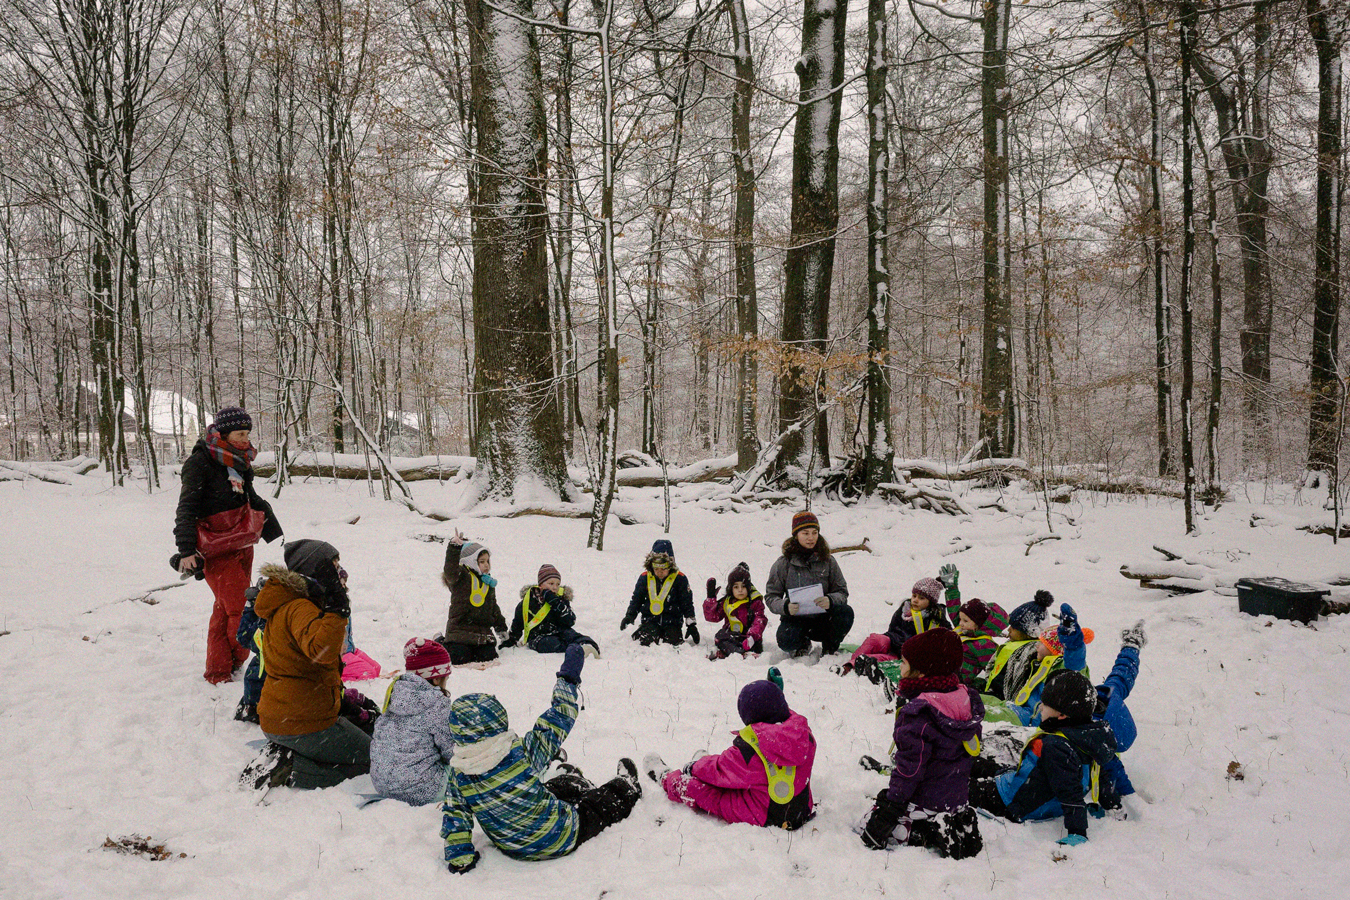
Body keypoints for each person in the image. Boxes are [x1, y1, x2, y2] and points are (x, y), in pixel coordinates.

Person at [440, 646, 642, 873]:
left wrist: (460, 860)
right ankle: (626, 785)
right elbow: (561, 716)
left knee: (548, 788)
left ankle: (573, 781)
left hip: (511, 846)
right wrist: (568, 678)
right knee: (601, 805)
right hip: (560, 836)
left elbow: (455, 817)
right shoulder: (523, 753)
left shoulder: (459, 774)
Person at [242, 539, 370, 791]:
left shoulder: (290, 601)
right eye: (333, 566)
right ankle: (293, 768)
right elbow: (321, 651)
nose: (339, 572)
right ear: (315, 570)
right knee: (374, 761)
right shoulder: (300, 607)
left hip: (288, 715)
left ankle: (291, 752)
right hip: (303, 723)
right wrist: (337, 609)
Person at [171, 406, 282, 684]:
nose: (245, 439)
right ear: (222, 433)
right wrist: (185, 549)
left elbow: (251, 499)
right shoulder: (200, 463)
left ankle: (221, 669)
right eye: (239, 433)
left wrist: (276, 533)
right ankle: (243, 655)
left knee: (224, 609)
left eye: (247, 433)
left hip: (242, 543)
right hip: (215, 549)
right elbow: (186, 508)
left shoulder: (240, 461)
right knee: (242, 608)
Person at [859, 629, 984, 859]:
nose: (899, 667)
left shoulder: (919, 715)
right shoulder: (965, 699)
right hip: (955, 799)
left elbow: (910, 770)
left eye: (904, 663)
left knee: (867, 822)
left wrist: (891, 805)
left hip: (925, 800)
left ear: (922, 671)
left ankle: (920, 831)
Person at [969, 669, 1119, 846]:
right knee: (976, 763)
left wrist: (1077, 832)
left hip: (1012, 802)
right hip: (1028, 784)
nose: (1040, 707)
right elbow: (1100, 775)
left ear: (1062, 715)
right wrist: (1112, 804)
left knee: (959, 786)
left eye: (1045, 705)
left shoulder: (1058, 746)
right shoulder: (1087, 736)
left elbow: (1069, 791)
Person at [644, 678, 815, 829]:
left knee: (703, 791)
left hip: (763, 814)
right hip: (799, 809)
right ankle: (702, 762)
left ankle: (666, 778)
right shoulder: (804, 735)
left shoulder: (750, 750)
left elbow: (720, 770)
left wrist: (694, 767)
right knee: (744, 777)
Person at [369, 637, 457, 806]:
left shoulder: (395, 692)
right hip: (421, 789)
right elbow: (451, 752)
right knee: (470, 773)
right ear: (436, 679)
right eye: (446, 677)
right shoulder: (436, 703)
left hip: (382, 784)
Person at [985, 602, 1094, 727]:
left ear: (1054, 649)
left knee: (984, 712)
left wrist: (1073, 645)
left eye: (1042, 643)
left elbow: (1075, 666)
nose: (1036, 645)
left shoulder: (1063, 668)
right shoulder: (1040, 664)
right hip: (1019, 707)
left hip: (1031, 717)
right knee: (977, 699)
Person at [764, 511, 854, 657]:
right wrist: (785, 607)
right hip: (796, 618)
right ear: (796, 535)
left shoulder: (828, 561)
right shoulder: (783, 563)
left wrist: (830, 600)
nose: (811, 538)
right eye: (805, 533)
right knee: (786, 641)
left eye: (814, 532)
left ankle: (830, 647)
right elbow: (771, 596)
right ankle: (802, 643)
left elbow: (842, 592)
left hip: (823, 618)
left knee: (846, 613)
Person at [836, 577, 948, 684]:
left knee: (876, 658)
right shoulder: (905, 609)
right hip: (892, 641)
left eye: (921, 598)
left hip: (903, 654)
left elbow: (946, 637)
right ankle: (856, 661)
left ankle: (851, 666)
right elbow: (893, 628)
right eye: (914, 596)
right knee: (875, 639)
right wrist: (887, 642)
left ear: (931, 601)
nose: (915, 600)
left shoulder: (935, 618)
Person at [441, 529, 509, 665]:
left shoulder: (488, 584)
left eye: (488, 561)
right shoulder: (461, 578)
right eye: (481, 561)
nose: (486, 565)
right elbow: (450, 571)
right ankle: (441, 642)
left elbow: (493, 608)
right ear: (470, 561)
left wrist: (501, 627)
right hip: (459, 632)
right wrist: (454, 549)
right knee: (459, 657)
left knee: (488, 657)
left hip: (482, 634)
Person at [502, 564, 600, 656]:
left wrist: (556, 603)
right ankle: (576, 650)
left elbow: (570, 621)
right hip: (538, 636)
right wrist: (511, 640)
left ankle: (589, 646)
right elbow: (518, 623)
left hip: (560, 631)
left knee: (572, 635)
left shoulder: (560, 599)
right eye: (551, 583)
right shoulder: (529, 601)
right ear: (540, 585)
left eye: (558, 584)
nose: (555, 587)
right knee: (551, 643)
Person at [620, 540, 698, 646]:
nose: (659, 572)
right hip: (650, 620)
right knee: (645, 641)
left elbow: (686, 603)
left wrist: (691, 624)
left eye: (663, 569)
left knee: (673, 643)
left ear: (670, 566)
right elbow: (637, 599)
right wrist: (630, 616)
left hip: (672, 622)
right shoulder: (644, 578)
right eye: (656, 569)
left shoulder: (680, 579)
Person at [703, 563, 768, 660]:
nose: (740, 590)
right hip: (732, 636)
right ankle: (738, 653)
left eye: (743, 586)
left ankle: (738, 653)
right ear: (731, 588)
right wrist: (711, 598)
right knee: (720, 638)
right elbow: (712, 617)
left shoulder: (754, 602)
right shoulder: (727, 602)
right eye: (736, 587)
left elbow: (759, 621)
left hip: (749, 638)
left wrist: (752, 636)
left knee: (753, 645)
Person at [955, 598, 1008, 689]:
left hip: (957, 681)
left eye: (965, 621)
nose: (961, 624)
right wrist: (951, 588)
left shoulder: (984, 645)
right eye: (960, 619)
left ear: (978, 623)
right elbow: (953, 609)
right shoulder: (965, 632)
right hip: (947, 672)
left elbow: (994, 670)